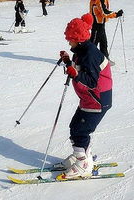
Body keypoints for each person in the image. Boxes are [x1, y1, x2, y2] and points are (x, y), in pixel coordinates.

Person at [54, 13, 113, 180]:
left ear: (78, 39)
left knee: (80, 131)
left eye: (70, 38)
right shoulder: (81, 50)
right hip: (89, 99)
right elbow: (79, 69)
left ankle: (84, 164)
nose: (68, 41)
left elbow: (92, 81)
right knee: (75, 127)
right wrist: (68, 63)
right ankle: (79, 155)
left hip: (97, 99)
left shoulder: (90, 54)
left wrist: (75, 75)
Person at [90, 0, 123, 65]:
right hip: (97, 25)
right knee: (93, 44)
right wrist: (116, 14)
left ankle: (105, 60)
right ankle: (88, 60)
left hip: (101, 24)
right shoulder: (99, 1)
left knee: (103, 43)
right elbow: (104, 12)